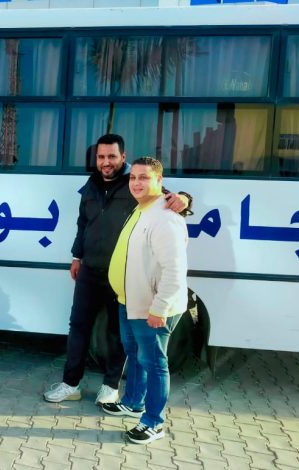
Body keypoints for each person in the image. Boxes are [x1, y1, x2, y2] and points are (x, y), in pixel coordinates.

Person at [44, 134, 191, 405]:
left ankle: (110, 387)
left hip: (123, 274)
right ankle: (71, 384)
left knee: (117, 333)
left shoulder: (135, 183)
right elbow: (82, 223)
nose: (106, 162)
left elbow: (170, 199)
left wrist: (185, 198)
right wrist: (77, 256)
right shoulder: (90, 185)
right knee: (78, 327)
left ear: (123, 157)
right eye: (101, 157)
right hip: (89, 270)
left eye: (112, 156)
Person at [102, 156, 189, 444]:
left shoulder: (165, 218)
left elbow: (174, 270)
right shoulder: (142, 209)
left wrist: (159, 308)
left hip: (152, 308)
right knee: (135, 353)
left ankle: (154, 422)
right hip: (130, 301)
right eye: (133, 177)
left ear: (159, 181)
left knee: (154, 363)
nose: (136, 183)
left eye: (144, 177)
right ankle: (133, 402)